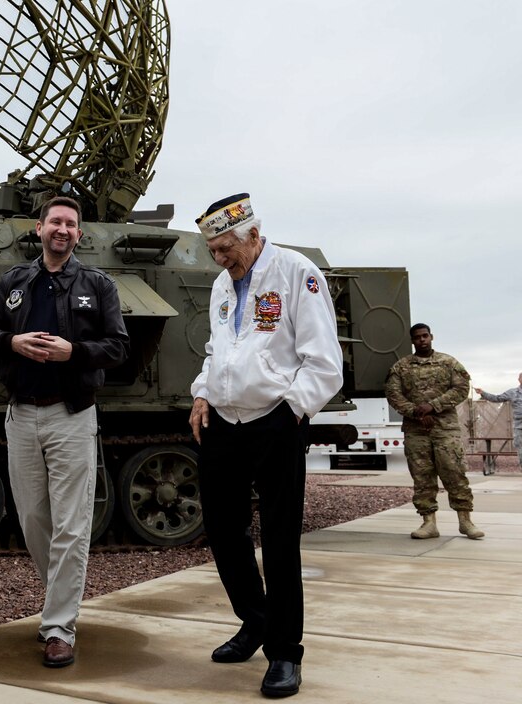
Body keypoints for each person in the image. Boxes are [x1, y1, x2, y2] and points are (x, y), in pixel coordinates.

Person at [188, 193, 343, 698]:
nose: (219, 258)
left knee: (279, 540)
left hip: (276, 419)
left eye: (226, 247)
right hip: (224, 420)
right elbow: (219, 349)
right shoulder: (221, 284)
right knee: (221, 530)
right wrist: (201, 392)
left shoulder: (298, 272)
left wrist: (292, 410)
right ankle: (255, 621)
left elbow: (324, 360)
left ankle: (284, 653)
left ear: (254, 234)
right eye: (212, 250)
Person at [0, 196, 129, 668]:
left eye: (71, 224)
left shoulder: (98, 285)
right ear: (39, 228)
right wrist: (12, 341)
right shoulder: (14, 282)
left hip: (71, 414)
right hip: (21, 415)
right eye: (55, 222)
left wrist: (73, 352)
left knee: (71, 524)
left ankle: (59, 627)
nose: (62, 230)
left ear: (79, 235)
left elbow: (118, 347)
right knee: (33, 520)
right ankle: (60, 596)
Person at [385, 324, 484, 540]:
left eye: (425, 336)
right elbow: (393, 395)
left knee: (454, 472)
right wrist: (416, 412)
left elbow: (460, 388)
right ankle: (429, 523)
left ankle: (465, 521)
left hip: (445, 429)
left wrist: (433, 405)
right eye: (417, 337)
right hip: (416, 431)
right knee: (422, 476)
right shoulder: (401, 367)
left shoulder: (448, 363)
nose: (422, 340)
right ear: (412, 341)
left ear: (431, 337)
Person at [475, 372, 522, 466]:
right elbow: (497, 398)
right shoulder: (512, 392)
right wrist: (483, 393)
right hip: (519, 427)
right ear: (519, 379)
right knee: (520, 449)